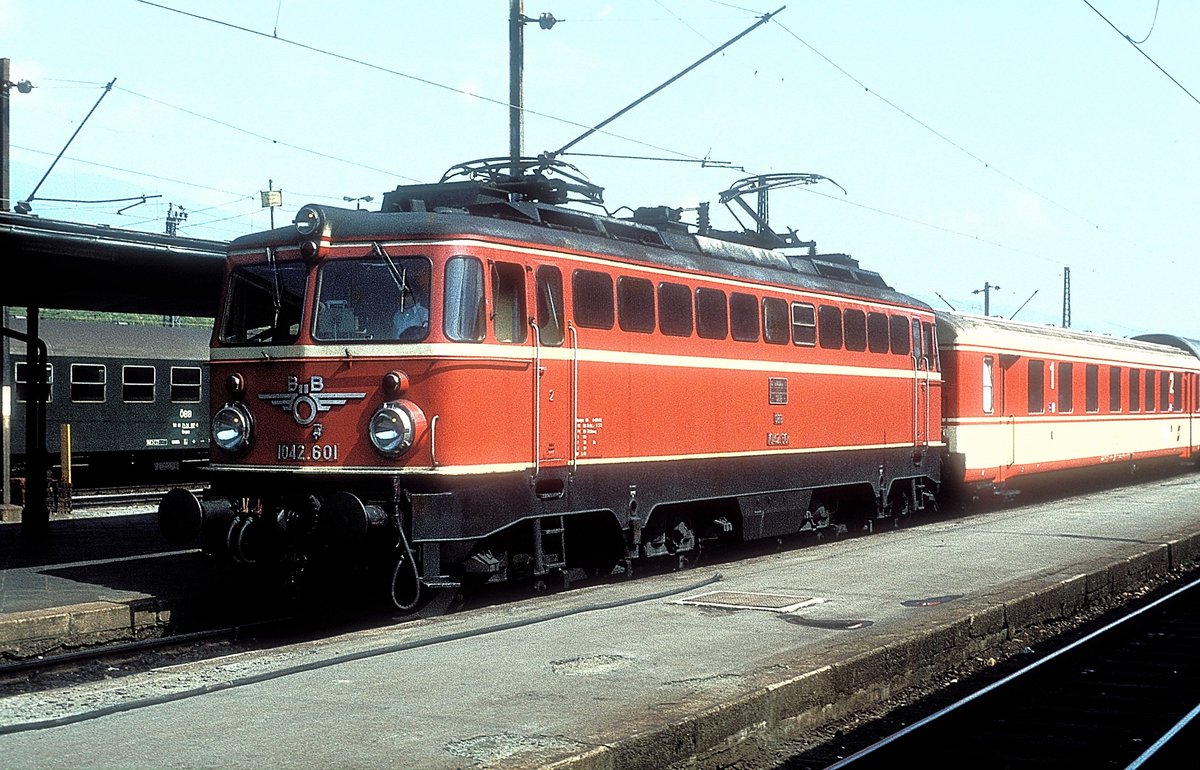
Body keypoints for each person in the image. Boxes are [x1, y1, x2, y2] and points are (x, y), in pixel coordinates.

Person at [391, 274, 429, 340]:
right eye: (403, 294)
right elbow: (394, 336)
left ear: (417, 295)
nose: (405, 297)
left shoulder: (424, 314)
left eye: (408, 294)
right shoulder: (398, 315)